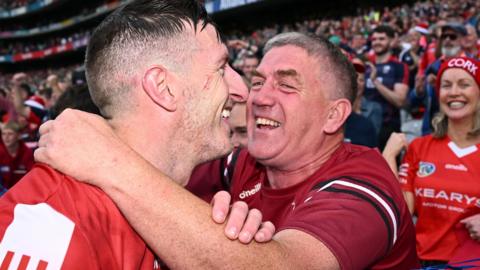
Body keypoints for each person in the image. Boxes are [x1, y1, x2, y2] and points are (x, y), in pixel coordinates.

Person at [36, 32, 418, 269]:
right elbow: (157, 163)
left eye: (286, 86)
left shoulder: (364, 184)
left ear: (334, 115)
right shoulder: (242, 163)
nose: (259, 97)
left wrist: (109, 161)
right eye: (258, 81)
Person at [0, 1, 271, 269]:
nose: (242, 91)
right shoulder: (50, 230)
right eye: (221, 68)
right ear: (163, 87)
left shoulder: (170, 215)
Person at [383, 57, 480, 265]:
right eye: (446, 85)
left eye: (464, 84)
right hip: (422, 261)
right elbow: (402, 213)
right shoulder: (420, 147)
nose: (454, 92)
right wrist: (388, 158)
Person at [363, 25, 409, 149]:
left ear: (391, 41)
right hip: (365, 126)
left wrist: (376, 82)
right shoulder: (365, 64)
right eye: (374, 39)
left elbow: (400, 101)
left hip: (388, 127)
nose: (377, 42)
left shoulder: (399, 67)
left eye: (382, 39)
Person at [0, 121, 34, 189]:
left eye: (10, 134)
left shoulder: (27, 153)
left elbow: (31, 178)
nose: (6, 137)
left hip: (21, 192)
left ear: (18, 136)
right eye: (3, 134)